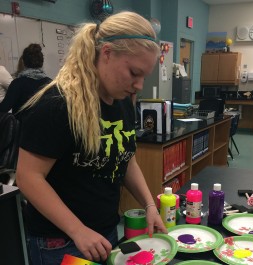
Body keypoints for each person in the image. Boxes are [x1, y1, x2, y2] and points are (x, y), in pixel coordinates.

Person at [16, 11, 167, 265]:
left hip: (103, 233)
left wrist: (149, 205)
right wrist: (78, 230)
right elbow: (28, 177)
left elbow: (125, 158)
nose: (139, 85)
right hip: (61, 241)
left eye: (144, 76)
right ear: (106, 53)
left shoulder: (122, 101)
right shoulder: (57, 105)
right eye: (133, 72)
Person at [0, 44, 52, 119]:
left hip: (22, 129)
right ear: (42, 62)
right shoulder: (50, 83)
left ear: (23, 62)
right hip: (46, 129)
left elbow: (4, 108)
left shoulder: (17, 84)